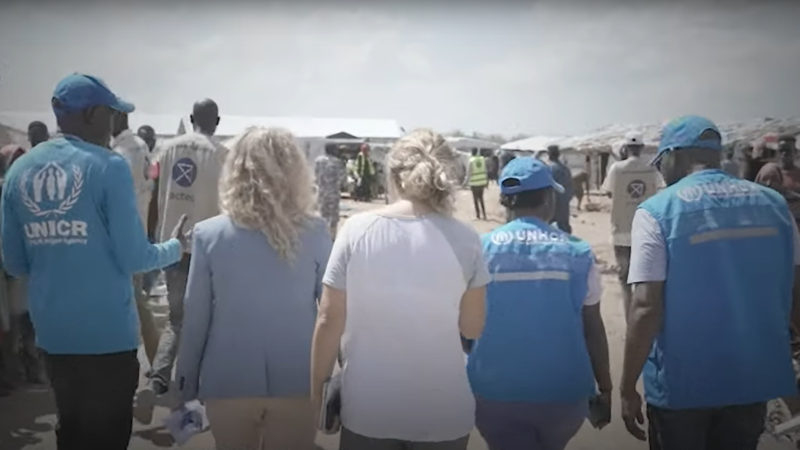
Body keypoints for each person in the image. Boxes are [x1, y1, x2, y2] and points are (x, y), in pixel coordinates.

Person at [0, 73, 188, 450]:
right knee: (106, 437)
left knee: (71, 430)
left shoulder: (17, 172)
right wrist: (175, 247)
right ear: (92, 114)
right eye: (113, 114)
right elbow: (135, 256)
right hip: (106, 339)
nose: (116, 124)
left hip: (54, 336)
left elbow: (15, 263)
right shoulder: (108, 166)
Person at [620, 115, 800, 450]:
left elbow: (645, 307)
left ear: (674, 155)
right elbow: (796, 291)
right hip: (752, 380)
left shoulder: (657, 211)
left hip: (682, 387)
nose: (660, 171)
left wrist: (627, 387)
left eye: (660, 162)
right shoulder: (776, 206)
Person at [311, 129, 487, 450]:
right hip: (444, 410)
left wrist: (317, 392)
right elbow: (472, 326)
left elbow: (327, 319)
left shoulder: (356, 230)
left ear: (394, 177)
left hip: (368, 407)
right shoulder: (467, 238)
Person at [175, 127, 331, 450]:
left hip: (227, 379)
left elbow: (196, 315)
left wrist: (186, 378)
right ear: (295, 171)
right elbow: (331, 311)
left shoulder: (208, 235)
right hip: (299, 379)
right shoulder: (316, 231)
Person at [468, 157, 612, 450]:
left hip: (494, 392)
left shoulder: (478, 249)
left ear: (506, 202)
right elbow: (593, 328)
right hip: (564, 394)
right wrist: (606, 389)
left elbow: (464, 326)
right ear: (548, 199)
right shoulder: (578, 252)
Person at [137, 98, 228, 423]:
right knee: (206, 322)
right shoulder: (222, 154)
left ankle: (158, 379)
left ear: (191, 119)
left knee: (176, 320)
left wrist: (152, 236)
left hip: (172, 246)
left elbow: (152, 192)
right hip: (208, 248)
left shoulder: (165, 150)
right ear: (217, 121)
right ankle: (194, 397)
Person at [600, 132, 665, 322]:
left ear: (625, 148)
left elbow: (609, 193)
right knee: (645, 281)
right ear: (642, 148)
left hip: (621, 231)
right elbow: (660, 191)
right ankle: (647, 321)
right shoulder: (651, 169)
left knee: (625, 281)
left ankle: (631, 323)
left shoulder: (616, 169)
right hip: (646, 231)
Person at [111, 112, 159, 366]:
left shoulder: (125, 151)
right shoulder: (138, 148)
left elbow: (119, 198)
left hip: (124, 241)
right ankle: (158, 366)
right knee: (137, 304)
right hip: (135, 236)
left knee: (133, 306)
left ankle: (155, 369)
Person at [756, 135, 800, 226]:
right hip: (776, 224)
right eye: (781, 151)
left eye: (787, 151)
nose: (784, 154)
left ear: (795, 152)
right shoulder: (770, 172)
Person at [315, 143, 346, 237]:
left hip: (321, 193)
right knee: (333, 218)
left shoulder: (318, 161)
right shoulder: (338, 162)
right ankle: (331, 239)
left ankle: (322, 236)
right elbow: (343, 179)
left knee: (323, 215)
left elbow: (316, 175)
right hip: (333, 194)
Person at [547, 145, 574, 233]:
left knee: (548, 227)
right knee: (564, 226)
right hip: (564, 201)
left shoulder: (548, 168)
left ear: (549, 154)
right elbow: (570, 186)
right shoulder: (565, 169)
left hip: (551, 201)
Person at [466, 148, 488, 220]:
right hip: (482, 182)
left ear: (471, 153)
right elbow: (485, 170)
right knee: (481, 198)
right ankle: (484, 214)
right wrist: (487, 181)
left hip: (474, 183)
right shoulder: (482, 159)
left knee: (475, 199)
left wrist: (466, 182)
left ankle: (478, 215)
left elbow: (469, 172)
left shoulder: (471, 161)